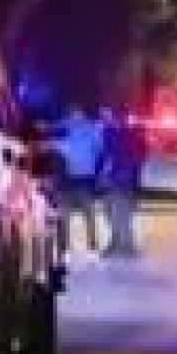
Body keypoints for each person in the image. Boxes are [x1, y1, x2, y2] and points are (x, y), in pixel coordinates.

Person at [56, 102, 106, 254]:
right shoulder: (68, 127)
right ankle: (68, 247)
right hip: (71, 179)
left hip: (80, 179)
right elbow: (99, 150)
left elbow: (99, 150)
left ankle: (89, 246)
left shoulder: (86, 129)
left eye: (75, 113)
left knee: (84, 213)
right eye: (72, 114)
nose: (74, 117)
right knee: (69, 214)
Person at [100, 108, 146, 259]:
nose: (105, 120)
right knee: (111, 213)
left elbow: (126, 156)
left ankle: (127, 246)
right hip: (117, 179)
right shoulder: (127, 134)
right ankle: (117, 242)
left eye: (109, 117)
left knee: (120, 214)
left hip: (121, 180)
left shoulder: (124, 135)